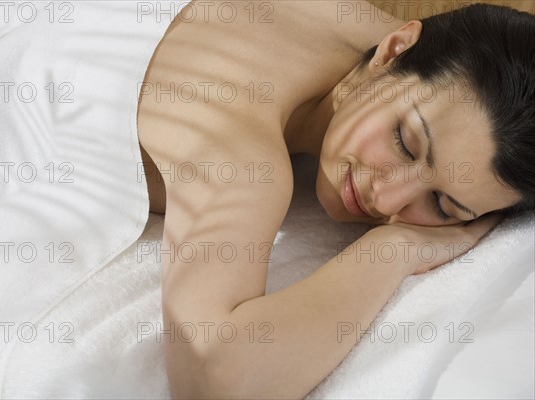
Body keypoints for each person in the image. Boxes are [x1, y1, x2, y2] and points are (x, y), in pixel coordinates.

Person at [137, 1, 535, 397]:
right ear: (394, 50)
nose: (388, 199)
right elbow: (212, 375)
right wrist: (395, 248)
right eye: (405, 143)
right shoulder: (244, 161)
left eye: (443, 206)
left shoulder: (402, 46)